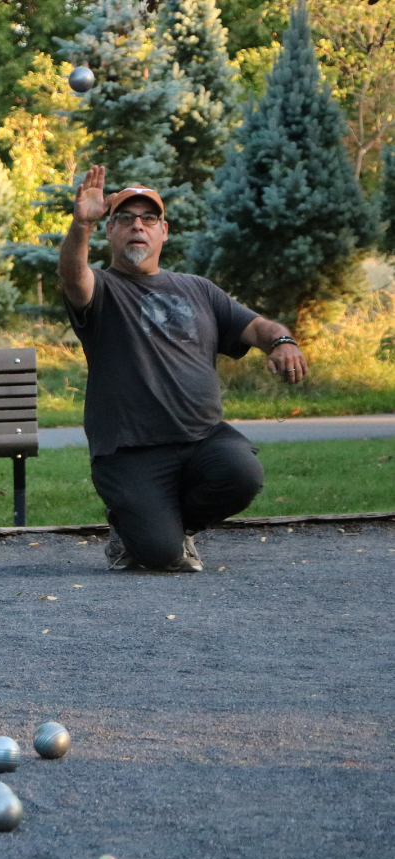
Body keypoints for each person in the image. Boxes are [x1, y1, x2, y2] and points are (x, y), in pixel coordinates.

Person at [57, 166, 309, 572]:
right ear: (110, 230)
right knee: (160, 557)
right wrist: (81, 225)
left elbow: (258, 327)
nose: (137, 226)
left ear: (164, 231)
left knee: (242, 474)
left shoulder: (198, 289)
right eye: (125, 218)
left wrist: (282, 342)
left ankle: (175, 527)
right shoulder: (101, 289)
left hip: (202, 439)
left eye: (148, 219)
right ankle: (135, 530)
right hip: (131, 450)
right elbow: (73, 276)